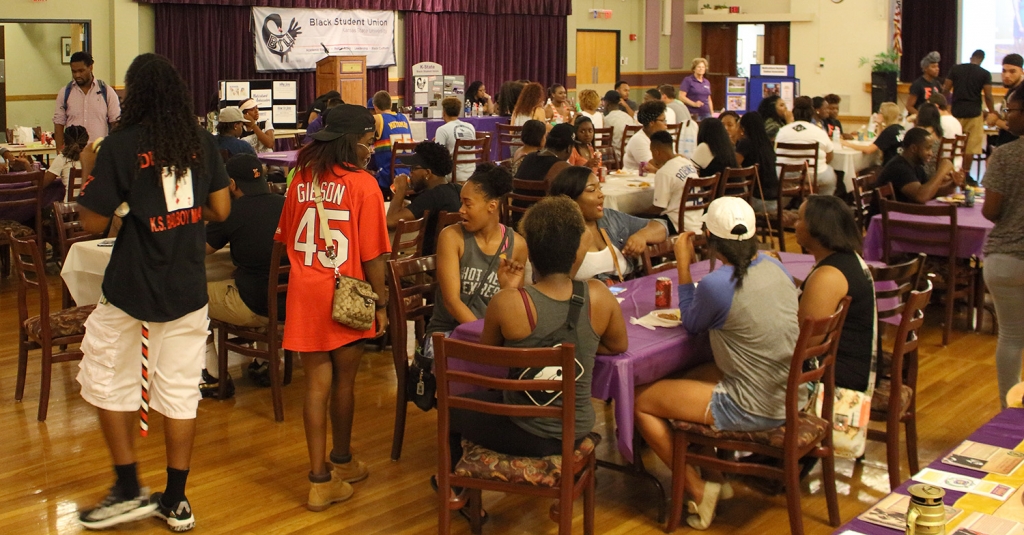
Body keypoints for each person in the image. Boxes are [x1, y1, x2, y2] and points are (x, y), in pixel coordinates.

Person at [73, 52, 231, 532]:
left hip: (134, 287)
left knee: (105, 379)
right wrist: (179, 219)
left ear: (134, 94)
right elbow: (221, 210)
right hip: (187, 286)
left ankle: (127, 489)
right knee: (181, 392)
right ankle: (177, 499)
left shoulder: (120, 146)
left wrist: (100, 180)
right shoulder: (201, 142)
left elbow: (91, 221)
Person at [443, 195, 627, 522]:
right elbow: (617, 345)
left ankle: (460, 494)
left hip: (525, 429)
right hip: (577, 429)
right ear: (574, 252)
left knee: (454, 410)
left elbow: (492, 359)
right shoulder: (599, 296)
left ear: (532, 255)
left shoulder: (509, 303)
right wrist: (576, 342)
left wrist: (508, 290)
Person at [634, 197, 798, 530]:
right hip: (790, 390)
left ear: (710, 237)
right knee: (684, 376)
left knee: (641, 400)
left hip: (755, 403)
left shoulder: (716, 285)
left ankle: (698, 489)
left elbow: (692, 323)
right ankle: (715, 473)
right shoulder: (775, 264)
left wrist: (682, 264)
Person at [275, 103, 390, 511]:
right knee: (345, 382)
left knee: (315, 386)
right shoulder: (364, 184)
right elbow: (374, 254)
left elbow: (286, 236)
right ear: (353, 142)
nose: (371, 149)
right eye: (369, 142)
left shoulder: (300, 178)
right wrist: (382, 303)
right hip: (346, 291)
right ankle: (341, 458)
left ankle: (319, 478)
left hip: (305, 291)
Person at [201, 154, 285, 396]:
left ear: (231, 184)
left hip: (254, 306)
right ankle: (265, 363)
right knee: (252, 279)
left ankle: (215, 374)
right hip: (291, 303)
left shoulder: (232, 211)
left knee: (189, 294)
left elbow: (199, 251)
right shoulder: (285, 203)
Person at [426, 163, 528, 347]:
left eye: (468, 203)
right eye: (461, 202)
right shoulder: (452, 237)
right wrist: (484, 340)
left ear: (492, 206)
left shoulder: (517, 245)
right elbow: (451, 301)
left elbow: (512, 309)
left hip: (493, 338)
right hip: (449, 334)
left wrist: (509, 290)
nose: (461, 209)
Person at [794, 195, 877, 392]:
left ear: (818, 229)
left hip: (838, 375)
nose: (795, 224)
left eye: (800, 219)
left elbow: (805, 344)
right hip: (849, 362)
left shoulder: (829, 276)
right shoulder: (847, 259)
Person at [549, 166, 667, 282]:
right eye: (591, 190)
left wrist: (642, 235)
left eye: (600, 188)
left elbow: (661, 226)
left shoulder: (610, 218)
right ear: (569, 199)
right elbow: (557, 286)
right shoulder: (557, 235)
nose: (601, 195)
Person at [981, 87, 1024, 407]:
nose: (1007, 115)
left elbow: (991, 211)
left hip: (1005, 259)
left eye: (1011, 110)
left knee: (1011, 337)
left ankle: (1009, 414)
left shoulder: (1005, 155)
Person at [386, 141, 461, 256]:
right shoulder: (457, 190)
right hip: (451, 259)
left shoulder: (431, 197)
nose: (410, 173)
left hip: (429, 266)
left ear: (427, 173)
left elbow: (390, 221)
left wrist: (400, 189)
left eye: (413, 169)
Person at [53, 51, 121, 149]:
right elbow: (59, 124)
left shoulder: (107, 92)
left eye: (81, 71)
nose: (77, 75)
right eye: (74, 71)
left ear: (90, 67)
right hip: (73, 153)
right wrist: (59, 152)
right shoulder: (65, 93)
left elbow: (116, 123)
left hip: (99, 152)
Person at [875, 127, 957, 204]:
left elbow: (931, 193)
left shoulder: (916, 166)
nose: (931, 153)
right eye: (928, 148)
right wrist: (941, 171)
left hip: (902, 214)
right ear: (914, 148)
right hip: (885, 217)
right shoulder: (899, 167)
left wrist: (952, 184)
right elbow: (921, 196)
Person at [776, 96, 837, 196]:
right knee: (830, 175)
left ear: (794, 112)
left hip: (785, 174)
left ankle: (787, 206)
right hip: (814, 176)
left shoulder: (782, 131)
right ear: (811, 113)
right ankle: (822, 205)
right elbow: (829, 156)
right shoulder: (818, 131)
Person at [944, 49, 995, 166]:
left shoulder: (955, 69)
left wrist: (943, 107)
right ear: (982, 59)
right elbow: (988, 95)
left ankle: (951, 173)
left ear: (971, 57)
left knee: (954, 145)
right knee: (970, 148)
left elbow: (946, 89)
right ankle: (965, 175)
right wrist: (992, 112)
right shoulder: (985, 73)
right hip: (974, 113)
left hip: (956, 112)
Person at [648, 130, 701, 234]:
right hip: (697, 221)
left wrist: (636, 211)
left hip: (677, 224)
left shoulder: (664, 172)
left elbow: (658, 207)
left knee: (635, 220)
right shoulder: (687, 163)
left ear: (656, 152)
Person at [735, 112, 779, 214]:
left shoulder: (745, 143)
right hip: (774, 199)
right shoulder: (767, 143)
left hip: (757, 199)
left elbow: (733, 168)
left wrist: (733, 142)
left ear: (743, 128)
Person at [370, 91, 414, 191]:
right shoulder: (404, 118)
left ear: (375, 107)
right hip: (407, 172)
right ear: (390, 105)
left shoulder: (378, 118)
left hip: (388, 173)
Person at [841, 102, 904, 166]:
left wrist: (848, 144)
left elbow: (869, 150)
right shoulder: (900, 128)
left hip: (891, 167)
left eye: (880, 112)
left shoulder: (889, 131)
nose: (878, 114)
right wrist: (879, 124)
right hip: (900, 164)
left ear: (885, 115)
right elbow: (881, 140)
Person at [514, 122, 574, 187]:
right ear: (569, 148)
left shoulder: (528, 157)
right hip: (543, 197)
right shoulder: (563, 168)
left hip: (515, 197)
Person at [434, 97, 477, 183]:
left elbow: (437, 157)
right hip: (472, 174)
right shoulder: (470, 127)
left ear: (444, 112)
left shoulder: (442, 130)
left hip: (453, 175)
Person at [987, 53, 1024, 149]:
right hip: (1005, 144)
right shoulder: (1011, 90)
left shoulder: (1020, 94)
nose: (1006, 75)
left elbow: (1018, 127)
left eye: (1012, 72)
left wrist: (996, 121)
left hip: (1016, 149)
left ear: (1022, 72)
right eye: (1004, 71)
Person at [44, 124, 88, 202]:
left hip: (70, 207)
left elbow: (43, 183)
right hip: (89, 207)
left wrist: (27, 165)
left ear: (65, 141)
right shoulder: (91, 159)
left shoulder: (62, 158)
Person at [623, 101, 668, 172]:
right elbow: (652, 165)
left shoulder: (660, 139)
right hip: (634, 180)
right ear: (652, 123)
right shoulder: (638, 140)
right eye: (663, 121)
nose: (666, 124)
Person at [602, 90, 638, 161]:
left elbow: (605, 142)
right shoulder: (628, 117)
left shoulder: (607, 119)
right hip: (628, 154)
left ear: (607, 103)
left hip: (614, 156)